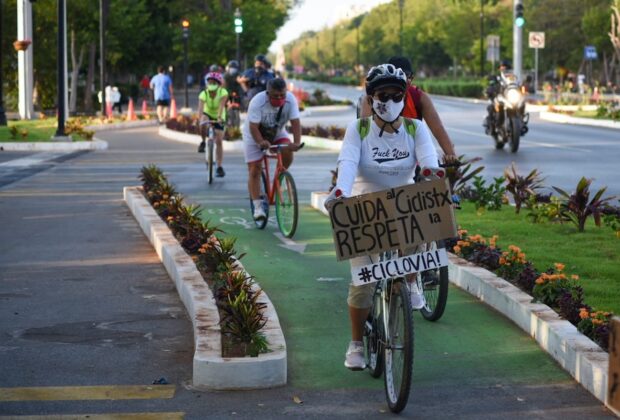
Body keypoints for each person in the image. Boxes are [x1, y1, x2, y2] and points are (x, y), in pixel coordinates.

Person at [325, 63, 439, 370]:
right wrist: (340, 192)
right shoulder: (359, 129)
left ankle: (411, 280)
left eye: (394, 94)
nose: (387, 101)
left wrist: (431, 169)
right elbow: (347, 163)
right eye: (380, 95)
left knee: (422, 213)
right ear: (370, 98)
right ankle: (356, 343)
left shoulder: (416, 128)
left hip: (401, 206)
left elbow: (428, 158)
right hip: (364, 209)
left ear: (404, 96)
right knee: (362, 284)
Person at [359, 56, 456, 163]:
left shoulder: (419, 97)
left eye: (407, 76)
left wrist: (452, 157)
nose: (404, 80)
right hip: (378, 158)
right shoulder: (373, 98)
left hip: (412, 162)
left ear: (411, 79)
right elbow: (365, 132)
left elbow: (438, 129)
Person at [243, 77, 302, 221]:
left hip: (276, 132)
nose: (280, 98)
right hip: (254, 134)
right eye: (275, 96)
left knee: (287, 149)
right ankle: (257, 207)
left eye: (282, 95)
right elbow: (253, 127)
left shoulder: (291, 100)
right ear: (268, 93)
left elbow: (295, 122)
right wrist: (260, 142)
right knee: (255, 169)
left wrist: (296, 143)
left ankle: (279, 177)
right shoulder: (257, 102)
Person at [197, 72, 229, 178]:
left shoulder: (223, 92)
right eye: (210, 82)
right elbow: (200, 109)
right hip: (208, 114)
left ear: (219, 84)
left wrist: (219, 118)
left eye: (214, 82)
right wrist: (199, 119)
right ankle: (202, 141)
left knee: (219, 140)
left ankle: (219, 166)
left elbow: (221, 105)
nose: (211, 84)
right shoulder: (203, 93)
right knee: (203, 121)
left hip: (219, 115)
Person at [223, 60, 244, 127]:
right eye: (232, 67)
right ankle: (227, 122)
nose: (233, 69)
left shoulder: (237, 75)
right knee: (226, 107)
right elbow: (225, 86)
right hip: (230, 93)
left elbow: (241, 85)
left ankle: (232, 124)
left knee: (234, 108)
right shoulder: (227, 75)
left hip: (234, 94)